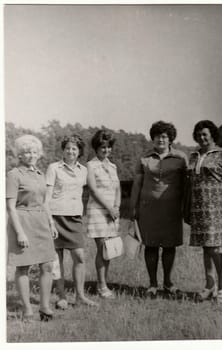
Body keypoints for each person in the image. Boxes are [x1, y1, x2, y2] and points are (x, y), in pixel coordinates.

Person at [129, 121, 187, 297]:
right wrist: (133, 208)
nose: (160, 140)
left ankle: (168, 283)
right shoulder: (145, 159)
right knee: (151, 246)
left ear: (170, 139)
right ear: (152, 138)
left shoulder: (181, 158)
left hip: (172, 211)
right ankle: (152, 285)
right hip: (148, 210)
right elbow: (137, 185)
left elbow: (186, 186)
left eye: (164, 136)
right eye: (157, 136)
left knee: (169, 247)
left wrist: (186, 207)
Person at [6, 135, 57, 322]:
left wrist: (51, 223)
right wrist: (19, 232)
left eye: (34, 152)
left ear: (39, 154)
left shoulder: (40, 174)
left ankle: (44, 307)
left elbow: (44, 202)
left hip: (41, 221)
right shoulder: (13, 174)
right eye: (27, 151)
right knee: (23, 267)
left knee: (48, 265)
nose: (31, 155)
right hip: (23, 221)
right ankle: (27, 309)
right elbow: (10, 207)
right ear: (19, 154)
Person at [45, 135, 98, 308]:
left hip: (75, 218)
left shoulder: (84, 170)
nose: (70, 151)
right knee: (56, 260)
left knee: (79, 256)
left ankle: (80, 297)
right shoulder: (53, 168)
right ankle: (61, 297)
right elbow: (46, 198)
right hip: (55, 217)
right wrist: (50, 221)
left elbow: (93, 191)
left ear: (79, 151)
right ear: (63, 150)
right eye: (67, 148)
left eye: (74, 148)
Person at [187, 120, 222, 303]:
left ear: (212, 134)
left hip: (217, 209)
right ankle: (209, 286)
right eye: (198, 134)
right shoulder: (194, 156)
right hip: (199, 208)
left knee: (215, 248)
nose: (201, 137)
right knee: (206, 248)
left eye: (204, 134)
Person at [86, 130, 121, 299]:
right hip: (99, 212)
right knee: (102, 249)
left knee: (109, 249)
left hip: (112, 213)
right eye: (102, 147)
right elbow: (93, 190)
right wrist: (109, 208)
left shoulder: (113, 166)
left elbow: (118, 188)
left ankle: (104, 282)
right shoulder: (91, 166)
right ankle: (101, 287)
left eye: (108, 147)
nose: (105, 150)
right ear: (96, 148)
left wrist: (117, 208)